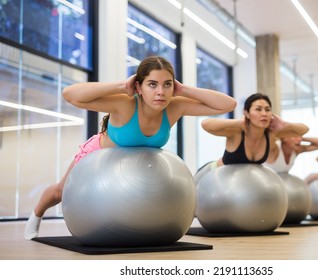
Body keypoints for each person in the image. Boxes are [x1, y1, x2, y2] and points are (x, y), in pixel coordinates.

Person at [24, 55, 237, 240]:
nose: (160, 92)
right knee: (60, 192)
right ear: (139, 87)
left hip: (134, 171)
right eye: (152, 84)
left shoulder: (175, 107)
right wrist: (121, 87)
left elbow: (227, 105)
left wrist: (184, 89)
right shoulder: (125, 103)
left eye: (167, 84)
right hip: (97, 157)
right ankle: (35, 216)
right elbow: (70, 94)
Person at [200, 93, 309, 170]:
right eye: (258, 109)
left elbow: (304, 129)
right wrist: (238, 123)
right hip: (212, 176)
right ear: (247, 113)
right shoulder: (236, 132)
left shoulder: (271, 135)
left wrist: (285, 124)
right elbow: (206, 124)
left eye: (267, 109)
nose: (264, 114)